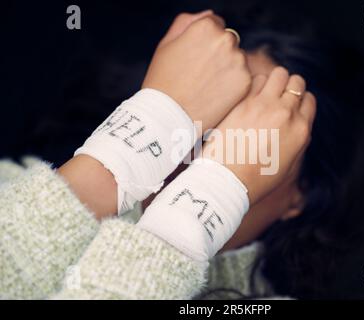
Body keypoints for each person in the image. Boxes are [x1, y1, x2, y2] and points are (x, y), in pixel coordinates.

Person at [0, 11, 316, 299]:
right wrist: (143, 132)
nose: (203, 152)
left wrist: (209, 198)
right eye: (202, 111)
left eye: (251, 129)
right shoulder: (15, 184)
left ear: (301, 195)